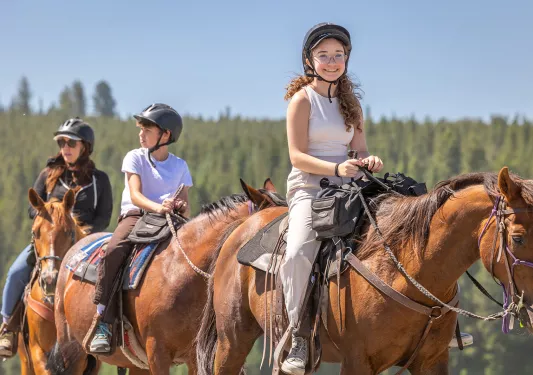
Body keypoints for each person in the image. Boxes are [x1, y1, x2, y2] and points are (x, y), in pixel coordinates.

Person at [0, 118, 113, 358]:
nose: (65, 147)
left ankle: (109, 326)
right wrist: (52, 210)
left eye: (71, 142)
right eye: (62, 142)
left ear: (85, 146)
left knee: (111, 275)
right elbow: (33, 208)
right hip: (50, 241)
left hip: (86, 243)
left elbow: (104, 216)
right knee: (16, 272)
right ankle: (8, 328)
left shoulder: (99, 180)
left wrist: (83, 235)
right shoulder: (48, 174)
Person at [89, 103, 192, 353]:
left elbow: (186, 206)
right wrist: (159, 207)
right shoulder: (135, 157)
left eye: (147, 128)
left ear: (165, 135)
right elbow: (135, 195)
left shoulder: (180, 166)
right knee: (114, 250)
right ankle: (103, 320)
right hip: (136, 217)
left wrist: (178, 205)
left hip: (170, 220)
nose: (141, 134)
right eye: (141, 128)